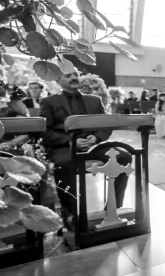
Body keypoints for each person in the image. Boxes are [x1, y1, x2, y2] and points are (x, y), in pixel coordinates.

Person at [40, 70, 132, 229]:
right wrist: (71, 142)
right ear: (58, 80)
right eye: (68, 76)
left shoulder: (94, 101)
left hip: (93, 146)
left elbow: (106, 125)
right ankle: (71, 215)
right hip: (64, 147)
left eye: (75, 74)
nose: (74, 78)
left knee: (124, 156)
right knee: (64, 162)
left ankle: (114, 209)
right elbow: (45, 131)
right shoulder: (49, 101)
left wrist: (96, 138)